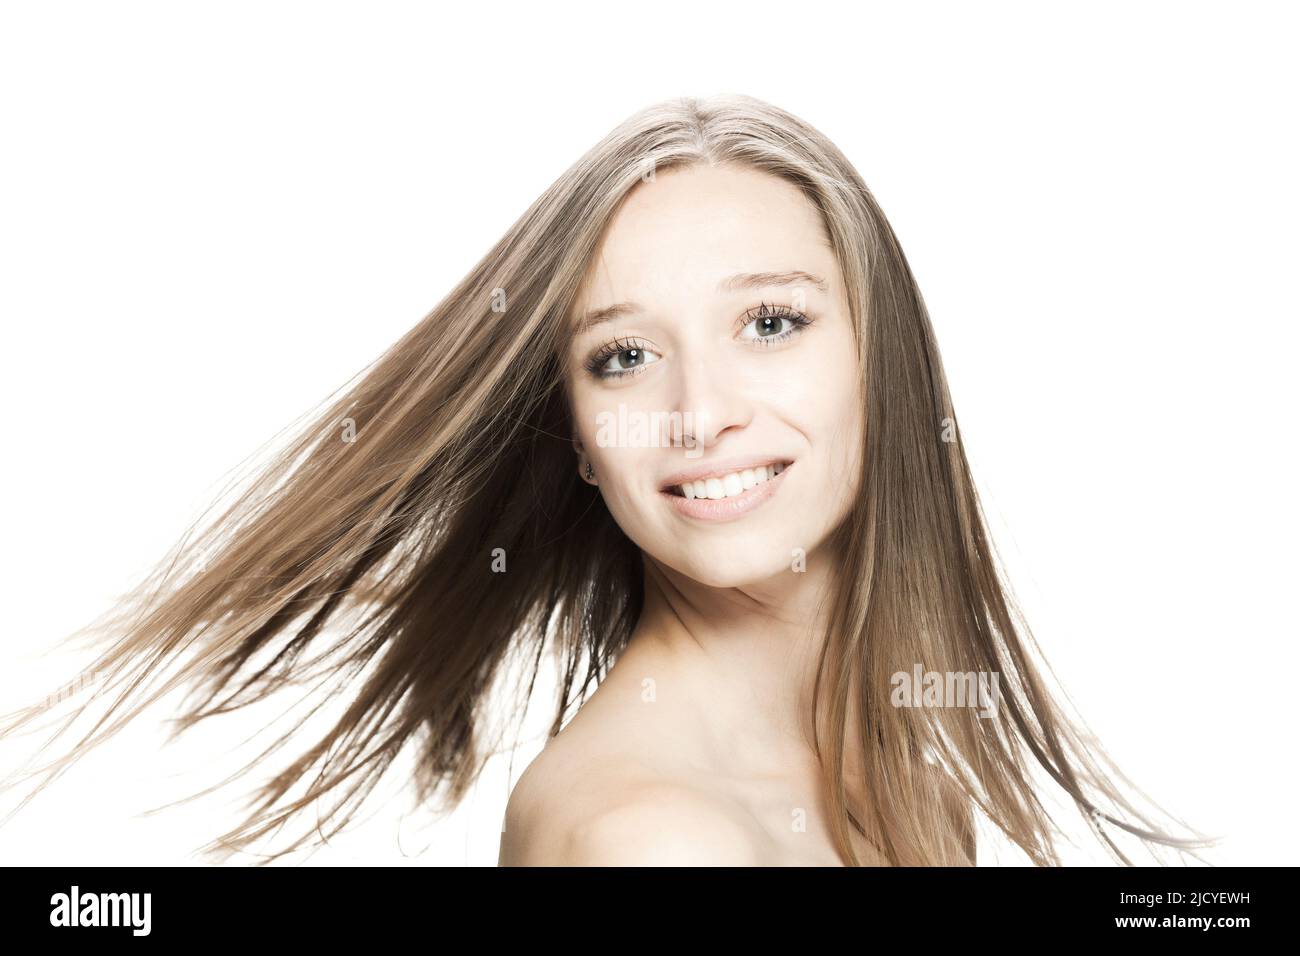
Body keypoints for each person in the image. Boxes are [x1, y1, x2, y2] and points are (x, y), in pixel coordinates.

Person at [0, 94, 1217, 866]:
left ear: (882, 364)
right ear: (580, 435)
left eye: (772, 323)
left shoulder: (894, 768)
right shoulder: (657, 835)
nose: (699, 411)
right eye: (623, 356)